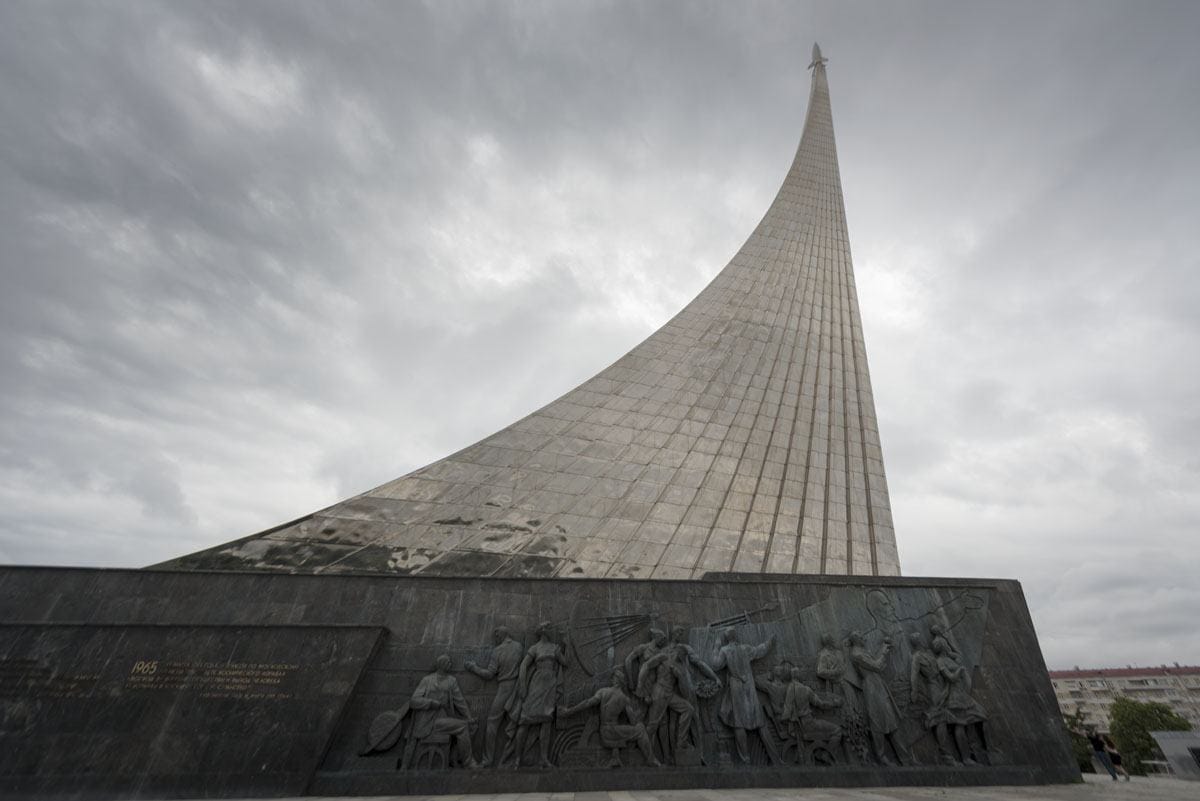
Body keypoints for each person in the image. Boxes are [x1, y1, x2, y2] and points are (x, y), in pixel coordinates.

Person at [558, 668, 662, 769]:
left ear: (613, 680)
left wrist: (568, 711)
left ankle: (615, 758)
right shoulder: (624, 698)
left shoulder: (603, 691)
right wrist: (642, 710)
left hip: (604, 730)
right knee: (640, 729)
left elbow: (587, 703)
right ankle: (651, 760)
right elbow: (633, 721)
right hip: (612, 731)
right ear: (622, 682)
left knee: (621, 728)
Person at [711, 627, 781, 764]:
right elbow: (761, 650)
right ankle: (776, 759)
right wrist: (769, 642)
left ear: (726, 638)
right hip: (748, 687)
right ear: (735, 636)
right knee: (761, 723)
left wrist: (716, 646)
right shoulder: (745, 648)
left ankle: (745, 760)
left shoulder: (725, 650)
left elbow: (715, 665)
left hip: (736, 688)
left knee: (739, 724)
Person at [403, 654, 479, 769]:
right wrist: (432, 703)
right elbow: (414, 701)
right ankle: (468, 762)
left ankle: (455, 758)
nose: (450, 664)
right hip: (427, 722)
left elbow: (460, 701)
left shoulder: (451, 681)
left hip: (441, 720)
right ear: (441, 664)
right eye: (448, 662)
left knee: (467, 725)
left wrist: (468, 717)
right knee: (463, 727)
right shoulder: (427, 680)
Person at [509, 621, 568, 768]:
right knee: (525, 720)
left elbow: (566, 662)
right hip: (536, 683)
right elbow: (523, 665)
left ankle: (543, 758)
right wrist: (522, 685)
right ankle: (517, 759)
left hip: (550, 684)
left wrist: (567, 643)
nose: (550, 629)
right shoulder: (534, 648)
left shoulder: (555, 648)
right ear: (542, 630)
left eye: (550, 626)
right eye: (548, 627)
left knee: (546, 721)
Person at [464, 625, 524, 767]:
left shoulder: (498, 651)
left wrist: (473, 667)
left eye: (496, 636)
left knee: (492, 723)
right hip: (517, 688)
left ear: (502, 635)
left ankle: (487, 760)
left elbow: (489, 674)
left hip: (504, 688)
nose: (495, 639)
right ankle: (516, 759)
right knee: (517, 722)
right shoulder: (519, 646)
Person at [846, 630, 908, 766]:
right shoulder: (857, 654)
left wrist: (883, 648)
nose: (864, 638)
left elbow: (875, 662)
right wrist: (884, 651)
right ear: (856, 639)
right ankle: (881, 756)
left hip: (878, 685)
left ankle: (905, 758)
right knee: (878, 723)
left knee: (891, 721)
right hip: (872, 688)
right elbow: (877, 666)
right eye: (861, 636)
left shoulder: (861, 651)